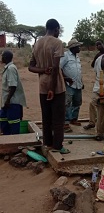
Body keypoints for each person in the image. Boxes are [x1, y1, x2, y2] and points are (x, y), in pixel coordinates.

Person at [29, 18, 70, 154]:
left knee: (46, 117)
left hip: (42, 85)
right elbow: (55, 66)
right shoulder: (57, 42)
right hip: (56, 86)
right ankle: (58, 146)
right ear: (57, 29)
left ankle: (47, 143)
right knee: (58, 118)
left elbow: (31, 67)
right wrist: (52, 89)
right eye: (59, 30)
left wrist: (43, 70)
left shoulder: (37, 43)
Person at [0, 50, 26, 135]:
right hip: (7, 102)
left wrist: (8, 100)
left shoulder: (11, 68)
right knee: (3, 120)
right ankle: (8, 142)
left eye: (2, 56)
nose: (1, 58)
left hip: (12, 102)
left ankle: (14, 144)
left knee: (13, 123)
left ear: (6, 58)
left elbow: (13, 86)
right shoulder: (8, 68)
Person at [60, 38, 83, 132]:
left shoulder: (77, 57)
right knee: (67, 103)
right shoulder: (65, 56)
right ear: (73, 47)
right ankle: (65, 123)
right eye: (78, 46)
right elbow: (59, 68)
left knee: (77, 102)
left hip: (78, 84)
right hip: (69, 84)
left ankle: (74, 119)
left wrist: (82, 82)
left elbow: (78, 70)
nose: (79, 48)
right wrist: (66, 78)